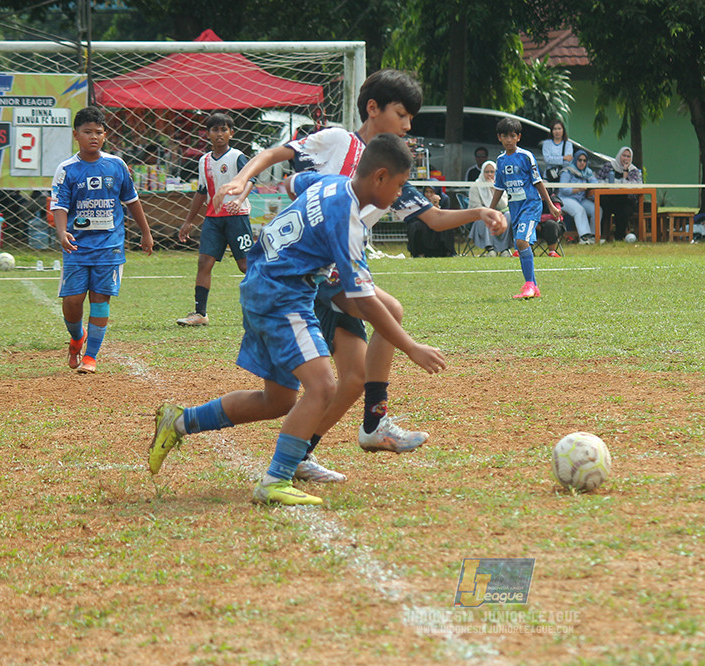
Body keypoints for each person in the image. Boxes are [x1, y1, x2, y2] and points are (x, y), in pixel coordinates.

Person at [213, 69, 506, 482]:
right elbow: (280, 153)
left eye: (410, 118)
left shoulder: (390, 168)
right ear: (373, 108)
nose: (408, 125)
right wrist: (243, 178)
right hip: (313, 275)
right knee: (384, 316)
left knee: (352, 379)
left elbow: (433, 218)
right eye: (402, 114)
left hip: (336, 276)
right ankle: (372, 423)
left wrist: (479, 212)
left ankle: (308, 451)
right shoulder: (339, 142)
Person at [149, 134, 447, 506]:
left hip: (263, 283)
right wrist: (411, 347)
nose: (399, 194)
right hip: (282, 295)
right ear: (380, 177)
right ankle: (275, 480)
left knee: (277, 400)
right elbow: (364, 301)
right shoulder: (348, 220)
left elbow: (292, 182)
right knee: (322, 387)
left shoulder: (329, 181)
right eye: (399, 185)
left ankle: (179, 421)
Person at [52, 106, 154, 375]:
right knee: (72, 301)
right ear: (76, 135)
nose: (93, 137)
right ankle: (77, 337)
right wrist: (62, 233)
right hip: (77, 246)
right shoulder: (66, 169)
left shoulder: (116, 165)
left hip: (109, 246)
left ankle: (91, 356)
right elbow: (59, 206)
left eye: (98, 132)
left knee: (100, 300)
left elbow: (132, 200)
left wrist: (145, 232)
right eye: (87, 132)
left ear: (105, 135)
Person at [175, 113, 255, 327]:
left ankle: (269, 306)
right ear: (208, 134)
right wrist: (188, 221)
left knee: (245, 265)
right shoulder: (204, 161)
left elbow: (250, 180)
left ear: (231, 133)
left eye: (224, 129)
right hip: (213, 219)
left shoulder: (237, 157)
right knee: (204, 262)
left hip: (237, 217)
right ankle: (200, 313)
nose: (219, 134)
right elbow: (201, 192)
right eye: (215, 130)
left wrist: (239, 200)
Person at [489, 117, 562, 299]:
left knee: (522, 242)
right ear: (499, 137)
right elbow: (499, 187)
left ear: (518, 137)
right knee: (520, 246)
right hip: (515, 207)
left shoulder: (526, 156)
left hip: (531, 205)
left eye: (512, 136)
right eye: (505, 136)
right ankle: (533, 287)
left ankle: (529, 285)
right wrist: (490, 210)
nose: (509, 140)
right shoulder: (500, 160)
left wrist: (550, 205)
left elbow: (538, 182)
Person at [596, 146, 642, 241]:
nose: (626, 159)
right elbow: (598, 180)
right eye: (623, 155)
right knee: (602, 205)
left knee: (624, 209)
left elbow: (634, 186)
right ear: (619, 155)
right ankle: (600, 236)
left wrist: (625, 174)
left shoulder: (633, 170)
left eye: (628, 156)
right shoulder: (609, 166)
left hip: (626, 199)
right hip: (609, 198)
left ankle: (619, 237)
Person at [468, 160, 512, 256]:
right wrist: (488, 212)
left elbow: (504, 205)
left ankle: (504, 248)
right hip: (481, 215)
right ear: (482, 172)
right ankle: (490, 248)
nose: (489, 174)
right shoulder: (475, 186)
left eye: (492, 172)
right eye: (486, 172)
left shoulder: (500, 185)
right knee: (485, 217)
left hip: (499, 213)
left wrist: (495, 189)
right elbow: (475, 206)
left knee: (509, 216)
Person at [558, 149, 599, 244]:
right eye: (579, 160)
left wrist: (589, 183)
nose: (582, 163)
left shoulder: (587, 172)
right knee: (579, 210)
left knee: (597, 209)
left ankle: (594, 236)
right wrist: (578, 189)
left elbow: (595, 183)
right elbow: (563, 189)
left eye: (584, 161)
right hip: (565, 199)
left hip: (580, 199)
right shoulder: (567, 171)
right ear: (575, 160)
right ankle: (584, 237)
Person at [406, 182, 456, 257]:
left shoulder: (445, 199)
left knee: (448, 225)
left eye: (431, 192)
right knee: (415, 226)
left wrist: (437, 207)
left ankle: (447, 252)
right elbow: (417, 215)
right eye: (426, 192)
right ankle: (419, 253)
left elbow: (445, 215)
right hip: (423, 222)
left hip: (439, 222)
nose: (429, 195)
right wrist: (430, 206)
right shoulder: (419, 199)